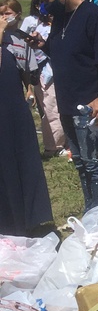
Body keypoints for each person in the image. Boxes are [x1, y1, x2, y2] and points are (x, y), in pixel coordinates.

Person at [34, 0, 98, 213]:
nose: (44, 6)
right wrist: (44, 46)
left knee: (94, 163)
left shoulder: (93, 16)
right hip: (67, 101)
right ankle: (91, 211)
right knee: (79, 161)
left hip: (89, 102)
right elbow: (69, 54)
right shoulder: (60, 17)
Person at [0, 17, 52, 236]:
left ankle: (30, 218)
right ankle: (8, 222)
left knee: (22, 161)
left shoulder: (13, 40)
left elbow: (26, 71)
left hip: (13, 110)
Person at [19, 0, 65, 158]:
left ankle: (61, 142)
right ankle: (53, 146)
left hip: (59, 74)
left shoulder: (60, 27)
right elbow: (37, 54)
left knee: (57, 108)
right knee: (52, 110)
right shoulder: (42, 29)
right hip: (46, 75)